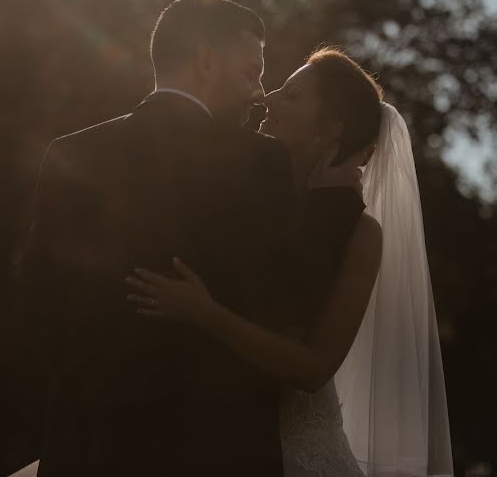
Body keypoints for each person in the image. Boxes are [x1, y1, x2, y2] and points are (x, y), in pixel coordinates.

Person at [12, 0, 361, 477]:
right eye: (250, 71)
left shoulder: (70, 151)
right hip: (213, 446)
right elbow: (286, 304)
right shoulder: (259, 162)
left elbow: (37, 309)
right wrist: (338, 202)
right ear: (205, 61)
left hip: (85, 444)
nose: (259, 91)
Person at [127, 48, 454, 476]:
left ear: (329, 129)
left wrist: (204, 312)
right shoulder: (232, 191)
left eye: (292, 96)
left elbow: (314, 367)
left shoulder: (360, 234)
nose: (269, 99)